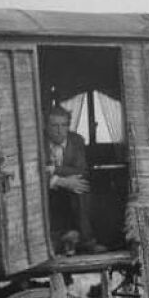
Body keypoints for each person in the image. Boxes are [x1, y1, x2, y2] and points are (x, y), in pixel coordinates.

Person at [45, 105, 105, 254]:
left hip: (68, 186)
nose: (60, 130)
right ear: (46, 126)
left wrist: (54, 169)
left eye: (64, 125)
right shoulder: (38, 142)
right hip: (46, 188)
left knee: (81, 186)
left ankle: (87, 240)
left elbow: (81, 170)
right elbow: (34, 171)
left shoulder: (76, 140)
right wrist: (60, 181)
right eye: (54, 125)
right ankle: (50, 242)